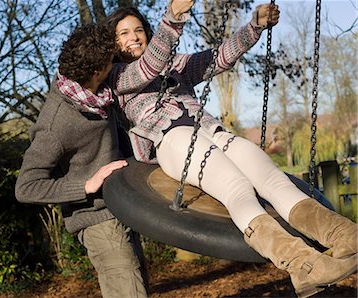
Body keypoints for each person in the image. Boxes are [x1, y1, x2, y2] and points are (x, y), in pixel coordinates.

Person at [103, 1, 358, 297]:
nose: (133, 37)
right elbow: (149, 66)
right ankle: (303, 266)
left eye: (138, 30)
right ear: (113, 43)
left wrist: (254, 26)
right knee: (236, 187)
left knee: (272, 177)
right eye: (123, 34)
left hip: (211, 131)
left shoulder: (174, 65)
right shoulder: (118, 77)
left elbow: (218, 58)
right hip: (173, 141)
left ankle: (346, 236)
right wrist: (173, 17)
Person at [15, 24, 148, 298]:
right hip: (97, 220)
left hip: (122, 207)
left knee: (140, 288)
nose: (115, 66)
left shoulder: (100, 96)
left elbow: (111, 141)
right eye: (111, 63)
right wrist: (86, 185)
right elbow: (26, 187)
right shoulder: (57, 123)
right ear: (96, 71)